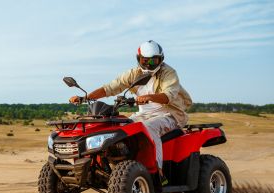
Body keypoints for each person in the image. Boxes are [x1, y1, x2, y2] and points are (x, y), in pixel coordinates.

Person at [69, 40, 192, 182]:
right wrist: (85, 97)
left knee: (149, 127)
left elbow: (168, 96)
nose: (148, 64)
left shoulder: (169, 73)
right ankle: (114, 166)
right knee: (118, 128)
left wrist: (149, 97)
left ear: (161, 60)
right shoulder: (134, 74)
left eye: (153, 61)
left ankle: (157, 173)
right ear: (138, 59)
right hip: (143, 115)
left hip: (169, 115)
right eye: (145, 60)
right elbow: (110, 88)